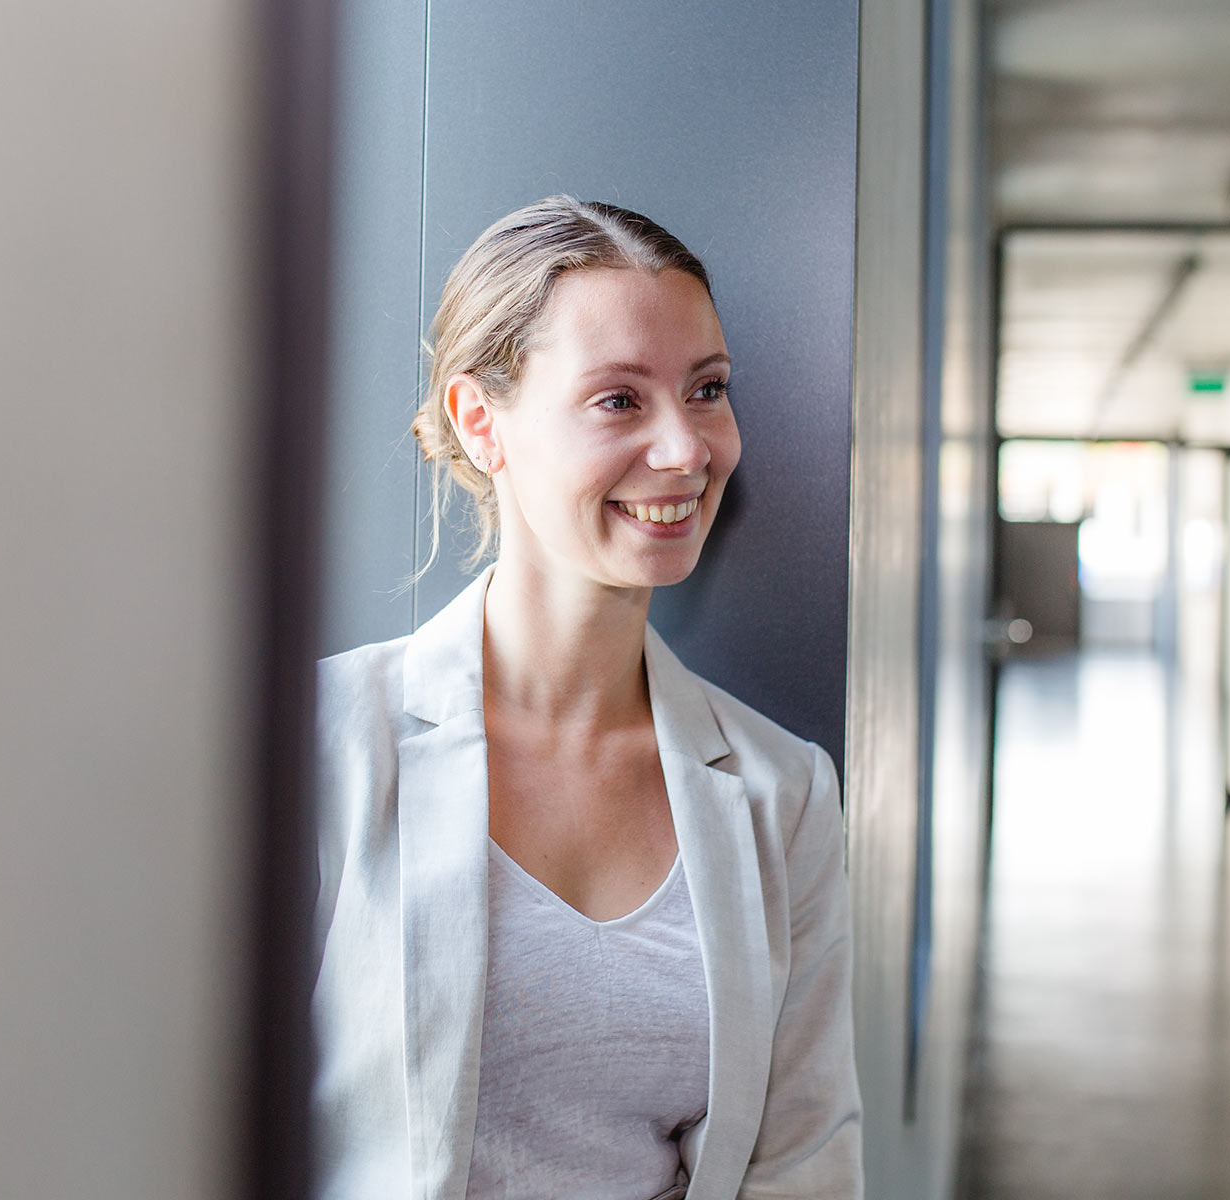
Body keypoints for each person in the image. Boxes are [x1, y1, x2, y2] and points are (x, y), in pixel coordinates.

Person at [312, 196, 862, 1199]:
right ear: (482, 422)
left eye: (707, 390)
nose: (687, 449)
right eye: (619, 400)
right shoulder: (323, 749)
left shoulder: (783, 791)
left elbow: (803, 1163)